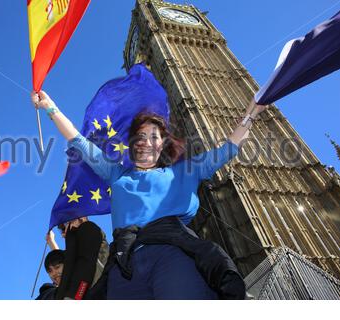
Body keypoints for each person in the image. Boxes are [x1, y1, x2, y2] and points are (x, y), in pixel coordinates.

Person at [31, 90, 267, 299]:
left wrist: (252, 111)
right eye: (140, 136)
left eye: (154, 137)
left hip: (170, 253)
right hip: (125, 265)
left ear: (162, 144)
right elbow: (77, 140)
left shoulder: (183, 172)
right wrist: (50, 106)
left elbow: (229, 148)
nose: (146, 142)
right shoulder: (116, 173)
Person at [44, 217, 109, 300]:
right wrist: (51, 242)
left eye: (65, 227)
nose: (63, 234)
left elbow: (83, 263)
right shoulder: (76, 247)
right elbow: (66, 263)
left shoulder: (90, 233)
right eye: (62, 230)